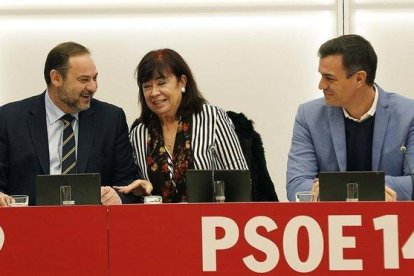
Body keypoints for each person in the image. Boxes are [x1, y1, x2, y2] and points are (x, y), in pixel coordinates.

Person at [0, 41, 140, 206]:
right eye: (84, 79)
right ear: (56, 78)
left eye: (95, 78)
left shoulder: (111, 119)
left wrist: (118, 196)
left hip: (92, 225)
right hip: (28, 226)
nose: (93, 87)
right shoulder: (10, 119)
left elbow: (127, 183)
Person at [286, 34, 414, 201]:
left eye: (329, 78)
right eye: (321, 76)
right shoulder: (309, 116)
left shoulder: (409, 115)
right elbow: (296, 185)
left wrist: (338, 188)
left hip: (391, 223)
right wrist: (369, 189)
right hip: (329, 223)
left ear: (359, 78)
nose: (321, 85)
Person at [118, 48, 248, 203]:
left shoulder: (213, 119)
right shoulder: (138, 133)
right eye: (147, 86)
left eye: (161, 83)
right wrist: (140, 190)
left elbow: (240, 183)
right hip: (158, 224)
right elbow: (135, 190)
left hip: (209, 222)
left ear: (182, 82)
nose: (154, 92)